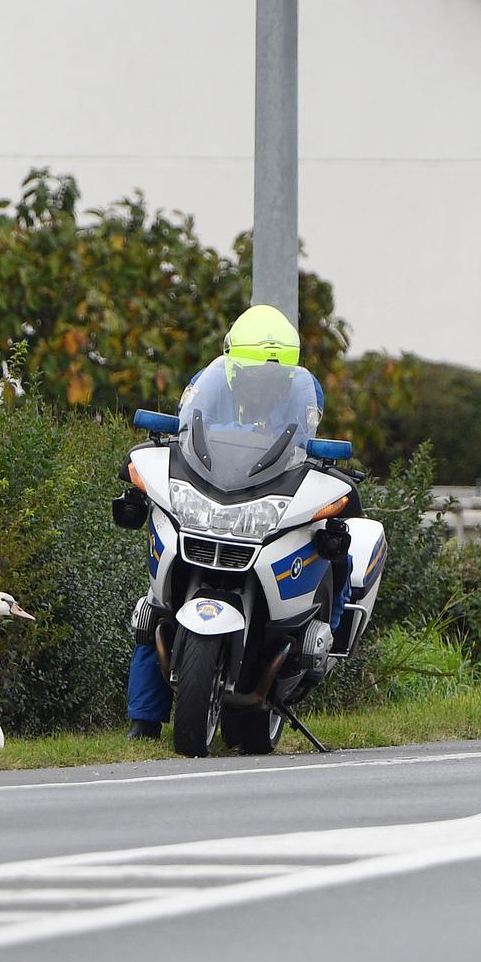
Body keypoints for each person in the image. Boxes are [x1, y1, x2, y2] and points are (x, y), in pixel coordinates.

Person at [124, 305, 348, 741]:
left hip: (270, 489)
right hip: (209, 488)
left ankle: (331, 632)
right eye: (252, 373)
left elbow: (305, 438)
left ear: (289, 370)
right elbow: (187, 427)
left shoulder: (306, 390)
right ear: (232, 361)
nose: (261, 381)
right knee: (159, 606)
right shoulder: (205, 385)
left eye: (273, 374)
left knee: (336, 543)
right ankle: (144, 720)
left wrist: (323, 464)